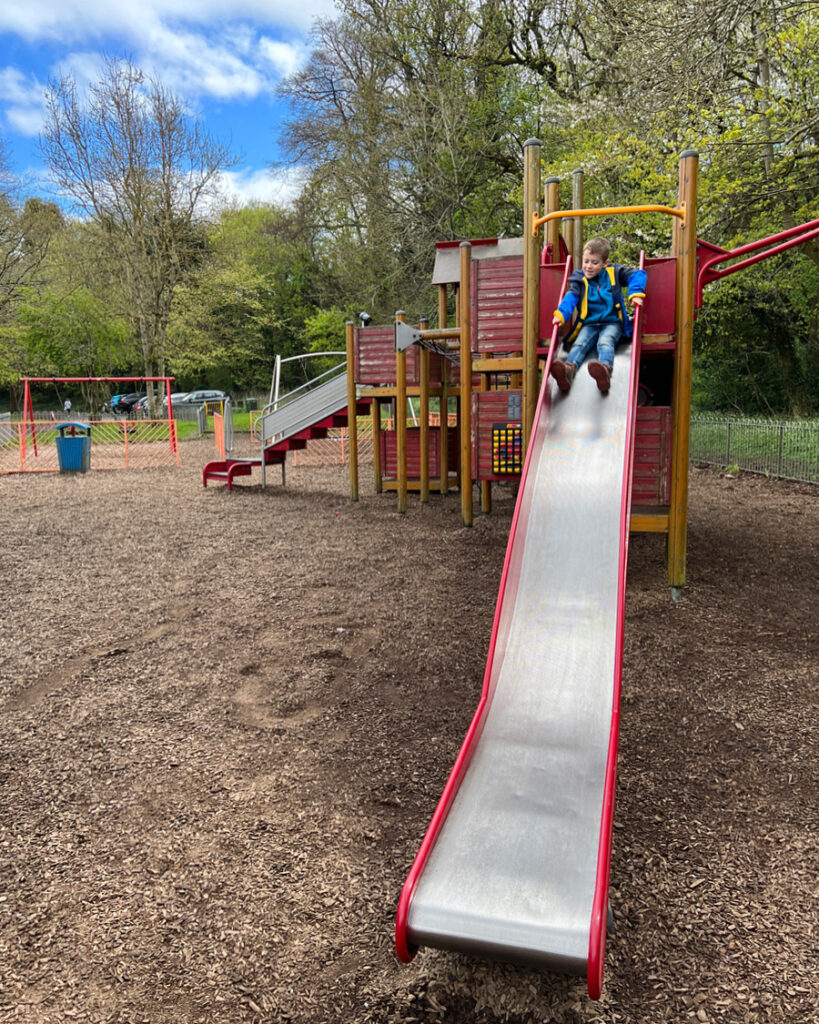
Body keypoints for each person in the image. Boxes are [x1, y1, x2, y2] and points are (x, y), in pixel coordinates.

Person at [550, 237, 646, 395]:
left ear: (605, 263)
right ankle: (568, 371)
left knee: (605, 342)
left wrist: (635, 293)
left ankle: (605, 370)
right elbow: (571, 298)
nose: (588, 266)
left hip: (612, 322)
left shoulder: (614, 272)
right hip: (589, 323)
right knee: (580, 344)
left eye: (594, 263)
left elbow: (639, 275)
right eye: (586, 261)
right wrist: (561, 314)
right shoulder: (579, 279)